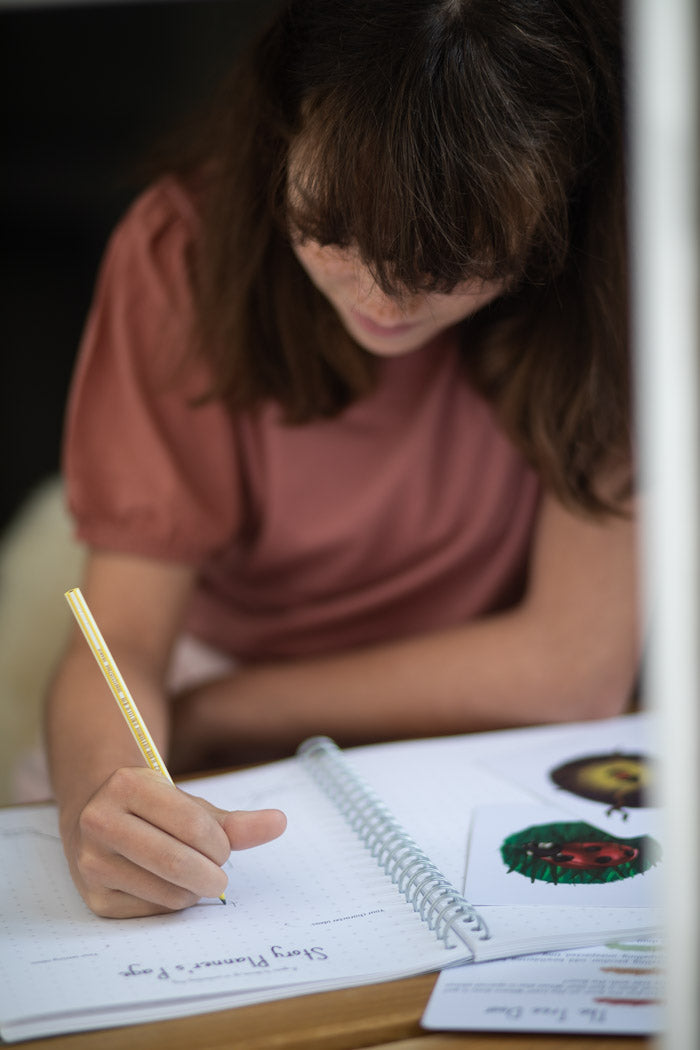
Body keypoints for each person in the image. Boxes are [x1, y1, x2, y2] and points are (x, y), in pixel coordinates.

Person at [46, 0, 638, 919]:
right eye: (334, 224)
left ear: (561, 197)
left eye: (455, 258)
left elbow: (570, 671)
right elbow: (122, 639)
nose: (383, 298)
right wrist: (105, 798)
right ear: (283, 126)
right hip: (221, 672)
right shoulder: (183, 253)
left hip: (461, 725)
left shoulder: (621, 291)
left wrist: (212, 709)